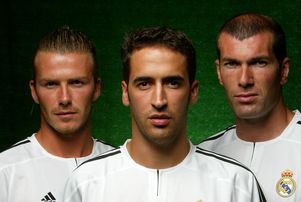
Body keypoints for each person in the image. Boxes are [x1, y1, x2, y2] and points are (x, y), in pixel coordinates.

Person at [63, 26, 265, 202]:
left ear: (193, 92)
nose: (159, 100)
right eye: (144, 84)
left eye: (172, 83)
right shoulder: (86, 183)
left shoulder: (237, 184)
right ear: (125, 92)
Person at [199, 13, 301, 201]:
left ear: (284, 70)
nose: (244, 80)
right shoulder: (204, 157)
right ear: (219, 72)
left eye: (259, 63)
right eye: (232, 64)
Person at [0, 26, 114, 202]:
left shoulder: (121, 167)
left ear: (96, 88)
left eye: (76, 82)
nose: (64, 98)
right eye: (51, 84)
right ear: (34, 91)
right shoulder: (5, 171)